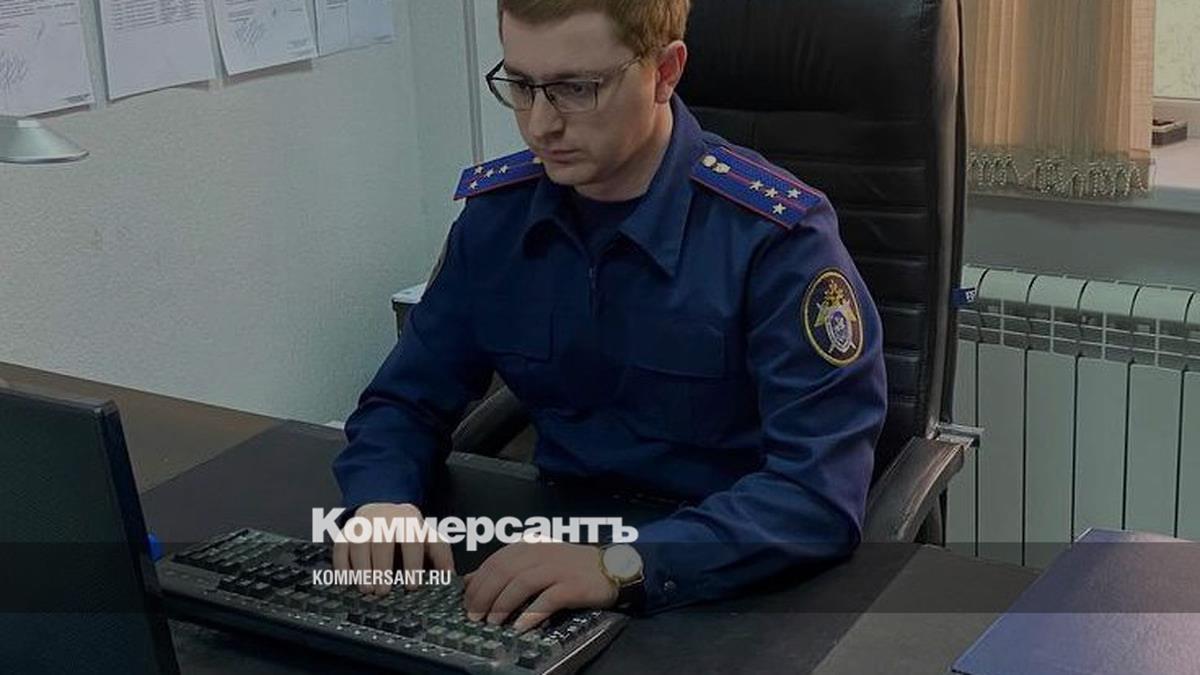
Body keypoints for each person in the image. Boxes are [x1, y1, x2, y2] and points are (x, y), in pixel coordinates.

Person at [332, 0, 887, 632]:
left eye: (576, 89)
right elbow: (403, 401)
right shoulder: (497, 220)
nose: (540, 125)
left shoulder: (775, 240)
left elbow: (816, 494)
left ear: (665, 72)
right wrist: (381, 497)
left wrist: (622, 565)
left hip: (730, 578)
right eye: (521, 85)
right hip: (552, 553)